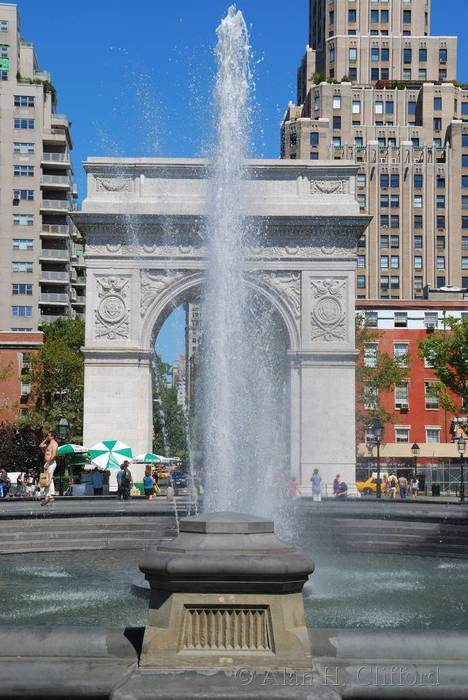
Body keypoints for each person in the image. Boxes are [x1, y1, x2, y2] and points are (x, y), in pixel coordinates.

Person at [39, 431, 58, 506]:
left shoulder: (54, 443)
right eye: (47, 436)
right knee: (47, 479)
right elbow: (40, 446)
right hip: (47, 463)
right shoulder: (48, 443)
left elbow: (54, 455)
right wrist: (46, 439)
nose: (47, 437)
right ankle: (48, 495)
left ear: (53, 436)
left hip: (51, 463)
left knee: (48, 478)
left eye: (49, 436)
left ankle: (50, 495)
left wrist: (48, 462)